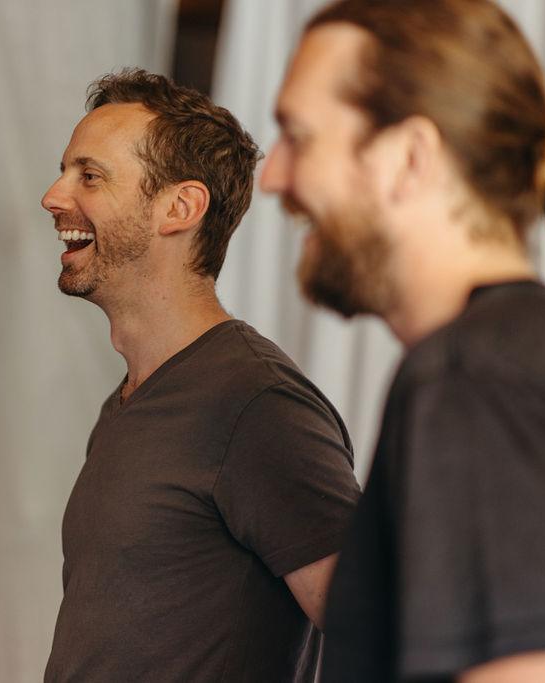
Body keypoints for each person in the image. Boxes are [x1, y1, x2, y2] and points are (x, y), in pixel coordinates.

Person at [259, 0, 545, 681]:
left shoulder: (476, 378)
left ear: (409, 157)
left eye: (299, 136)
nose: (273, 177)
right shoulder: (517, 355)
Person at [40, 68, 361, 682]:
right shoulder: (129, 404)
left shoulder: (256, 404)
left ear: (180, 207)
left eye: (89, 176)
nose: (54, 197)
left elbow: (382, 629)